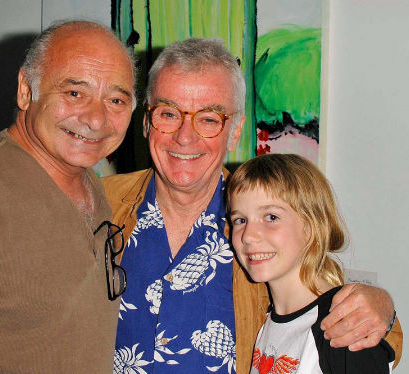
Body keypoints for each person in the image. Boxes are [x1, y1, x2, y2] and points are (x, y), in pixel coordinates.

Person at [102, 38, 402, 374]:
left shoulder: (258, 223)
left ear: (235, 131)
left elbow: (346, 317)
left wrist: (381, 306)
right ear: (146, 121)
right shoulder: (98, 205)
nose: (185, 137)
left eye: (208, 119)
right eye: (168, 113)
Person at [0, 20, 135, 373]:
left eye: (116, 99)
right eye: (74, 93)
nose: (96, 119)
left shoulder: (96, 186)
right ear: (26, 90)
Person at [227, 153, 395, 373]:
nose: (248, 235)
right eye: (240, 220)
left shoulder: (341, 330)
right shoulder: (270, 324)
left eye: (271, 217)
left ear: (312, 226)